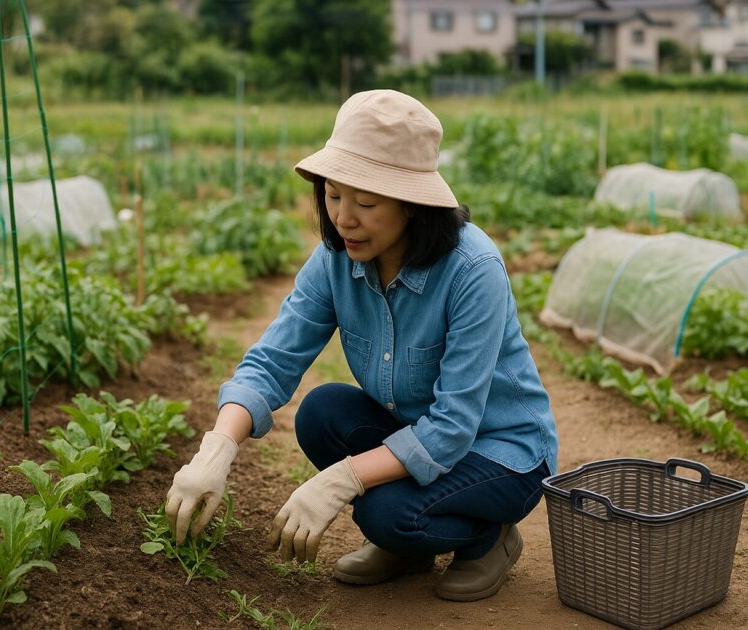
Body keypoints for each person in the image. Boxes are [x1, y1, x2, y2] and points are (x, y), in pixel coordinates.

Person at [165, 89, 558, 602]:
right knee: (323, 411)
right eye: (332, 195)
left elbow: (452, 428)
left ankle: (489, 539)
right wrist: (215, 451)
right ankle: (409, 550)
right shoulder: (336, 260)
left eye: (366, 202)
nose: (342, 219)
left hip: (504, 452)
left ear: (413, 206)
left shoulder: (472, 270)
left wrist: (342, 479)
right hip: (421, 434)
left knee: (385, 514)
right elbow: (272, 361)